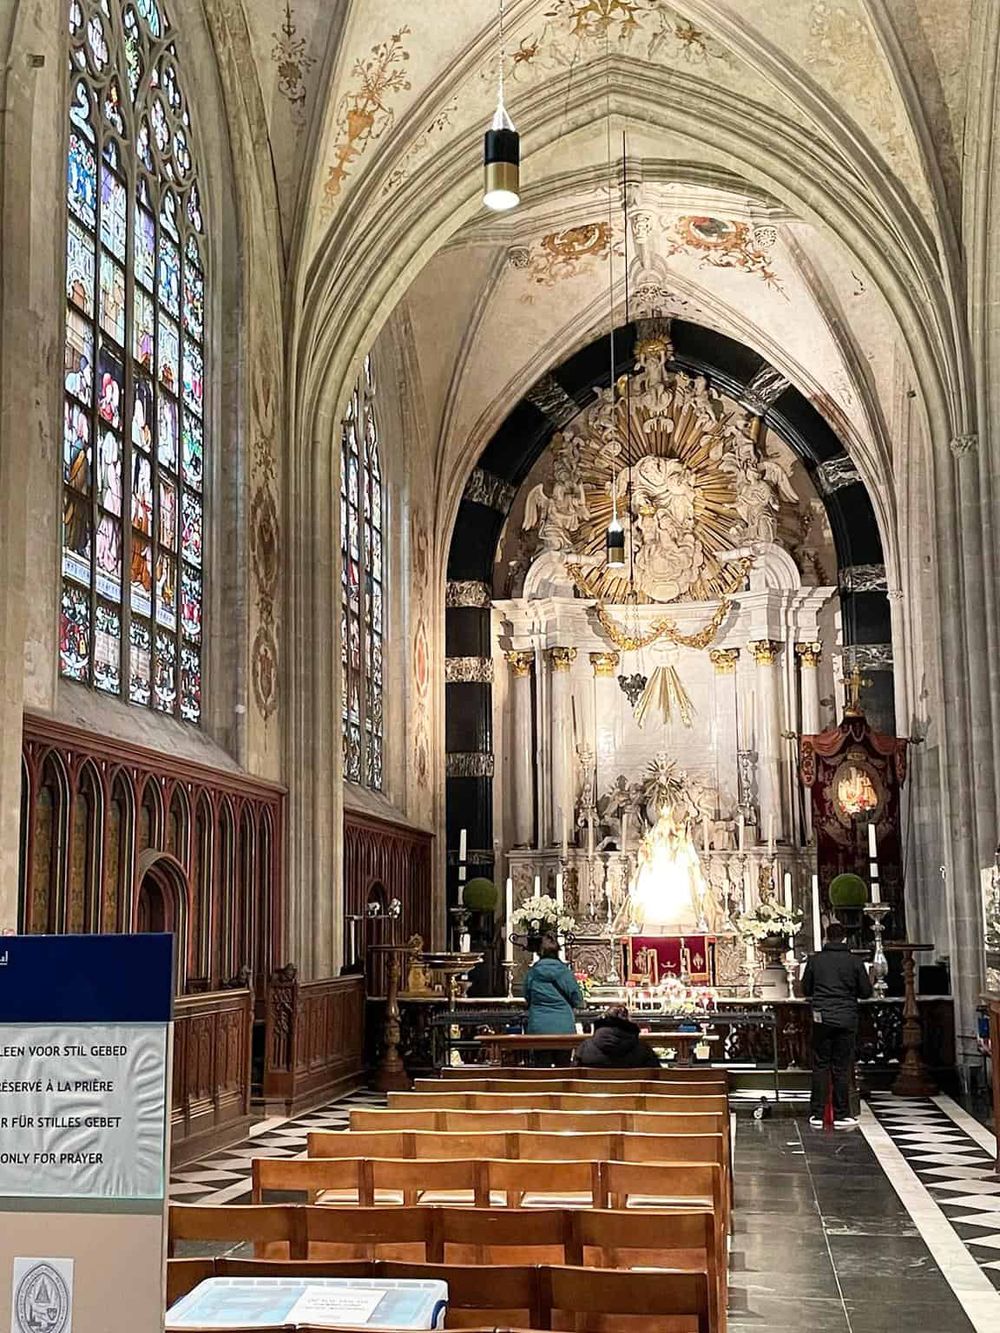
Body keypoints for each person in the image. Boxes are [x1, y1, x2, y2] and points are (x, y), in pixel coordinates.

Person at [802, 921, 873, 1129]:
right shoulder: (854, 961)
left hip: (821, 1018)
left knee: (821, 1065)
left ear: (826, 937)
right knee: (842, 1067)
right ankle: (842, 1114)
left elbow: (806, 988)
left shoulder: (815, 961)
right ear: (844, 938)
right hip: (846, 1018)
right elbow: (865, 991)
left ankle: (816, 1114)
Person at [522, 933, 583, 1036]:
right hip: (563, 1026)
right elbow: (577, 998)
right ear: (557, 952)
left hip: (538, 1026)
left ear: (539, 953)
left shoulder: (532, 973)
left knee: (540, 1051)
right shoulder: (565, 973)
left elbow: (527, 996)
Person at [573, 1005, 661, 1068]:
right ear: (628, 1022)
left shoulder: (585, 1048)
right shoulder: (643, 1050)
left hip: (594, 1093)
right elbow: (657, 1076)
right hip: (632, 1093)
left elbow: (574, 1076)